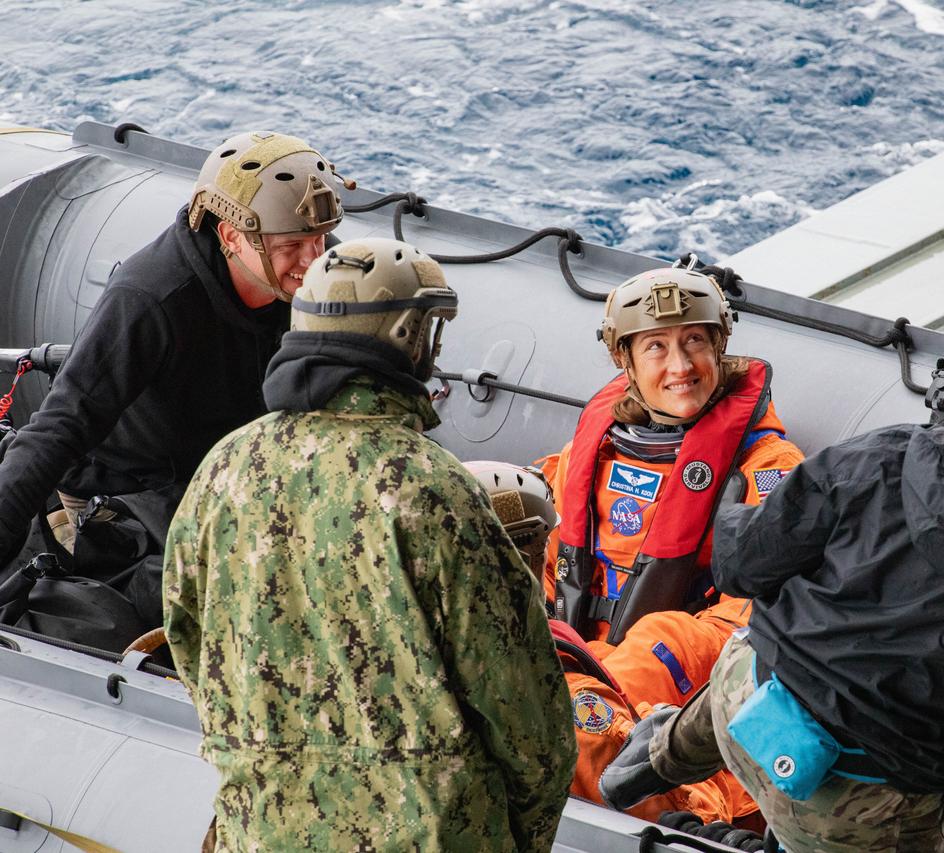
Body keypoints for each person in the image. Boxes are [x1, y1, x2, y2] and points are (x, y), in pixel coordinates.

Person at [601, 321, 944, 852]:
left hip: (740, 707)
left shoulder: (895, 451)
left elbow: (744, 567)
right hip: (854, 803)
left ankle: (648, 763)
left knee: (761, 652)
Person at [164, 238, 576, 852]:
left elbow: (187, 634)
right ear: (409, 337)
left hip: (258, 830)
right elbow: (528, 722)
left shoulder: (225, 467)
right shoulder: (432, 491)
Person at [0, 130, 348, 628]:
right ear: (230, 236)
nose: (315, 260)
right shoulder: (151, 299)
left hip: (237, 478)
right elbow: (57, 430)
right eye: (293, 246)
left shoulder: (317, 272)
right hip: (134, 496)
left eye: (320, 240)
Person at [540, 265, 804, 824]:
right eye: (656, 347)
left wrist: (628, 663)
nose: (680, 366)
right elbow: (549, 559)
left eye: (695, 343)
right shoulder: (585, 456)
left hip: (679, 691)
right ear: (625, 360)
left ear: (720, 347)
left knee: (580, 715)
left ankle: (692, 816)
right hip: (579, 658)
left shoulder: (768, 472)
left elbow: (758, 613)